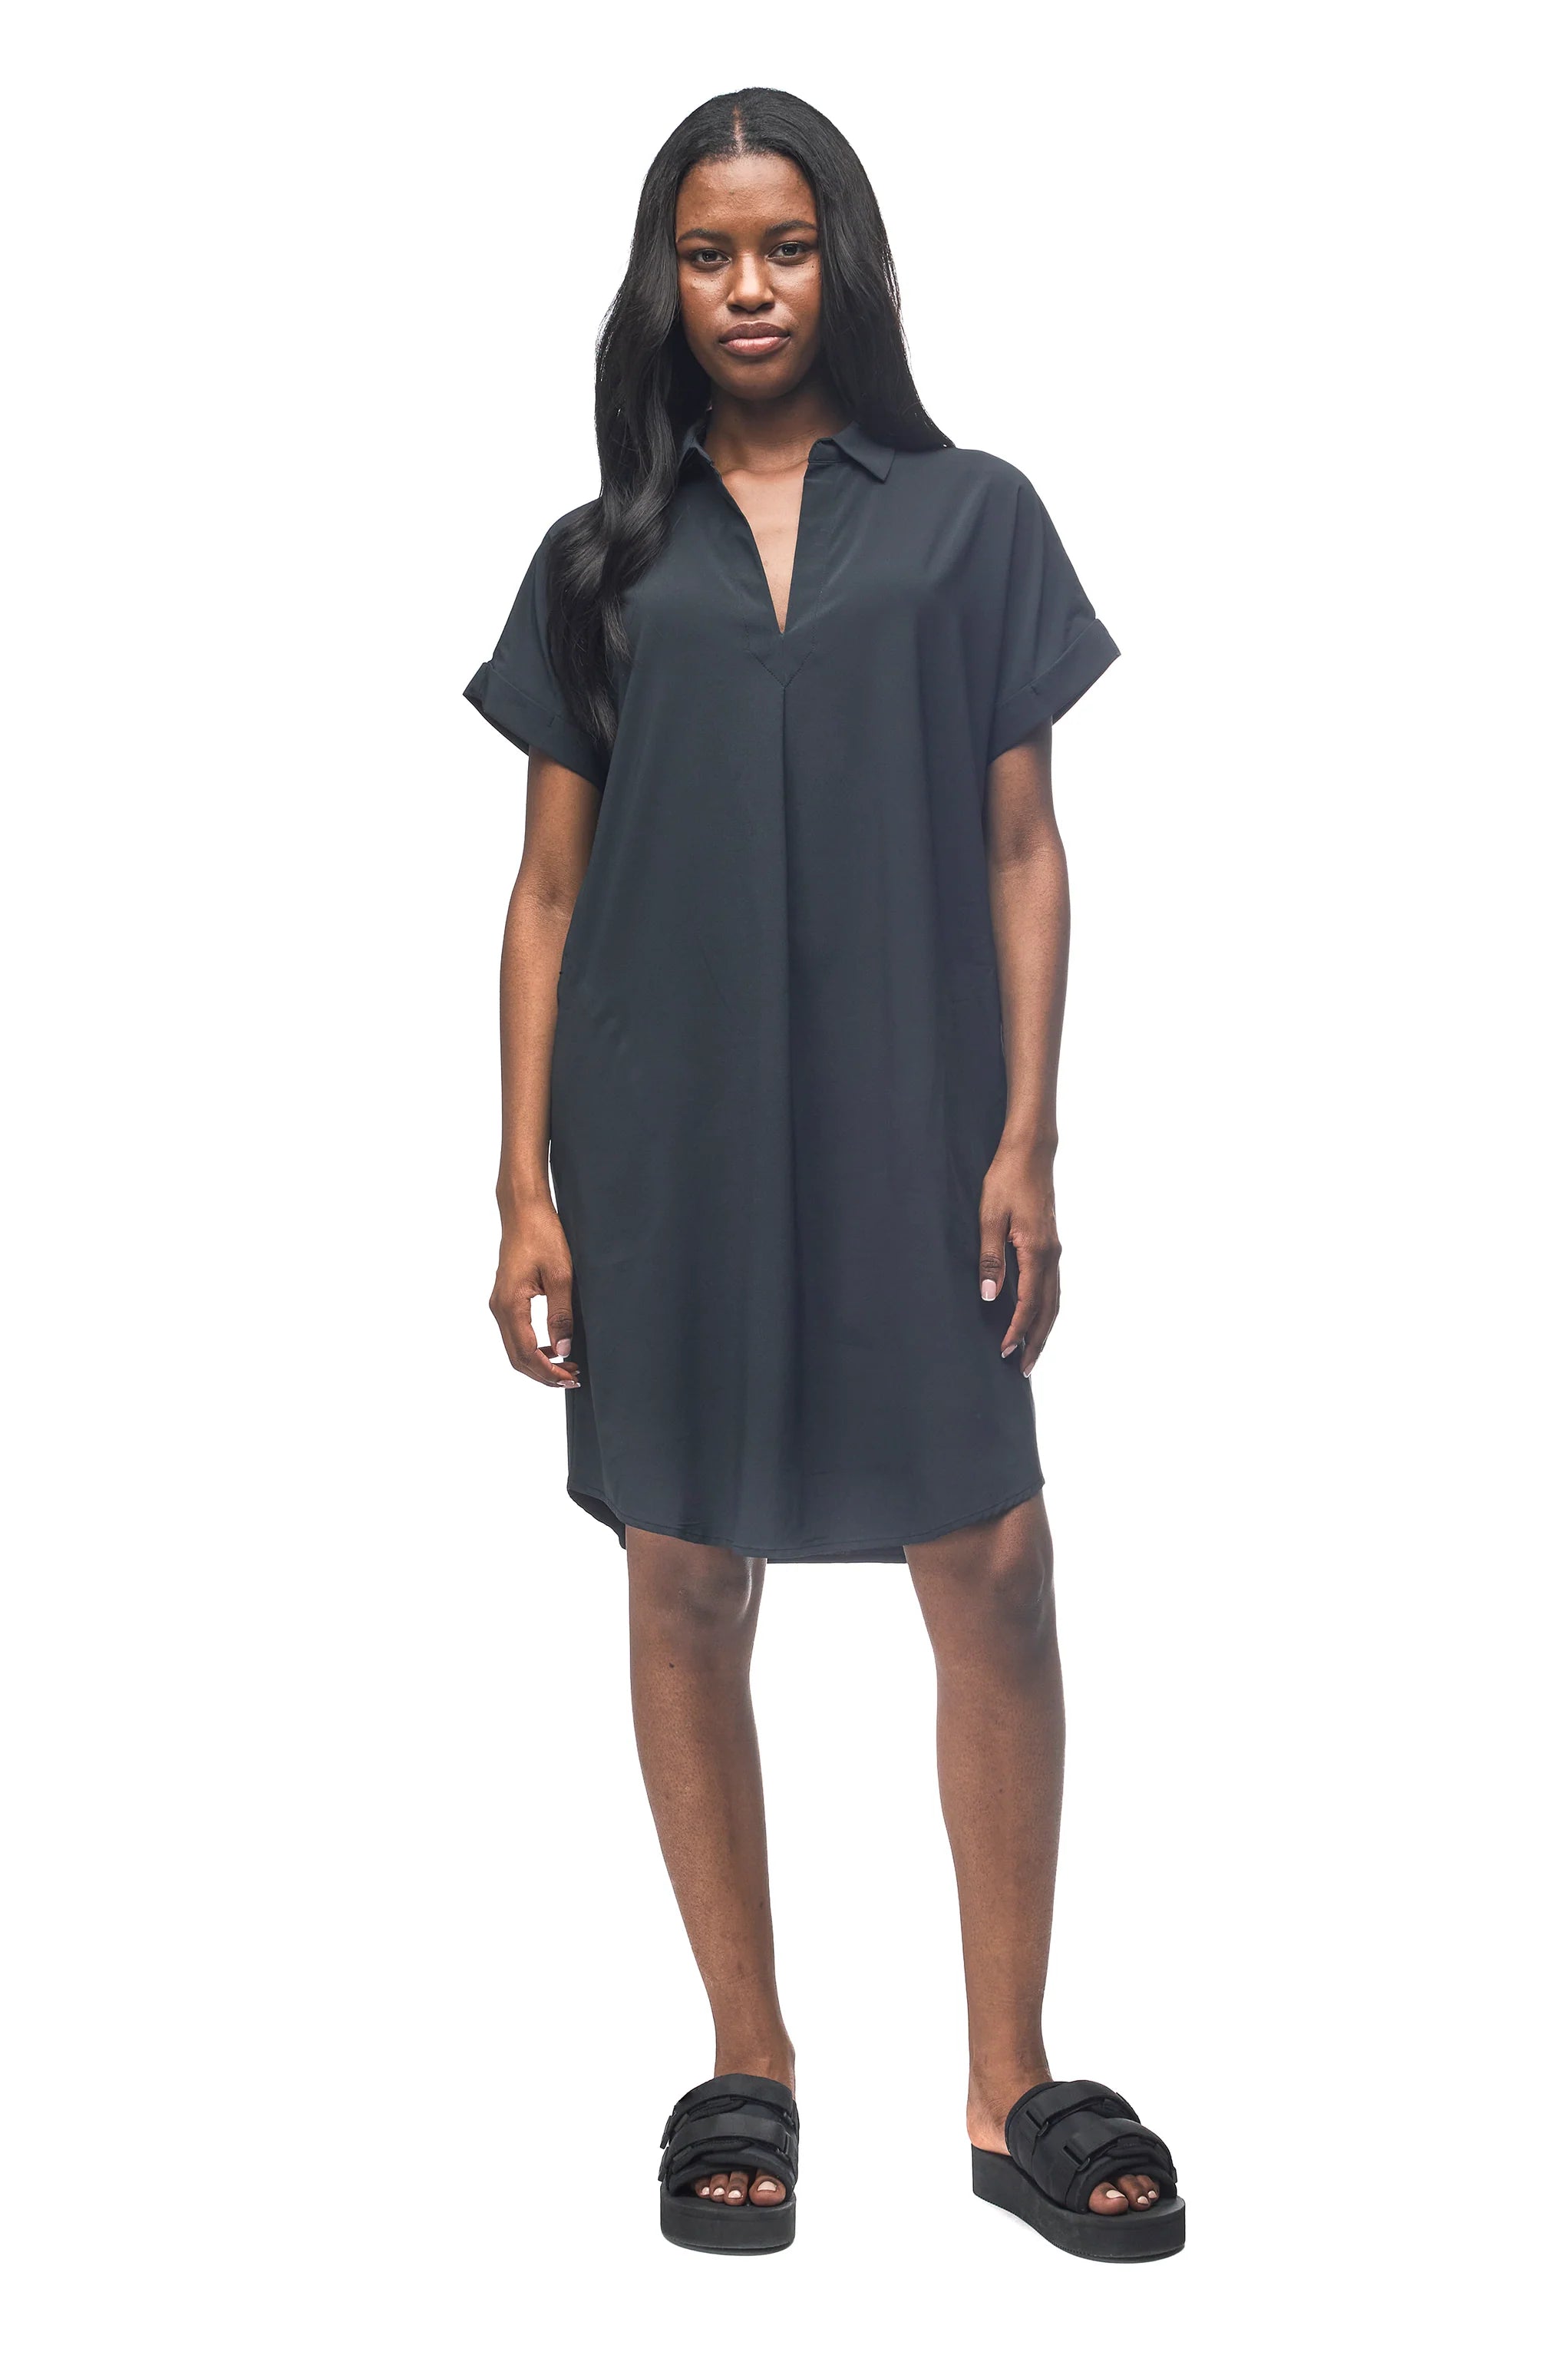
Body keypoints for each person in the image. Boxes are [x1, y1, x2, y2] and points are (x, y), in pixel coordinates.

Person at [464, 87, 1183, 2262]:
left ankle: (1008, 2080)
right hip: (663, 1132)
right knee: (684, 1568)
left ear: (842, 262)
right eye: (709, 253)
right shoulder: (601, 560)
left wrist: (1027, 1134)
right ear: (663, 283)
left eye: (784, 246)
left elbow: (1024, 849)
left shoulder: (972, 520)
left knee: (996, 1560)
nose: (750, 288)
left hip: (913, 1119)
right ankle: (746, 2058)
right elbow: (546, 894)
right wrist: (520, 1184)